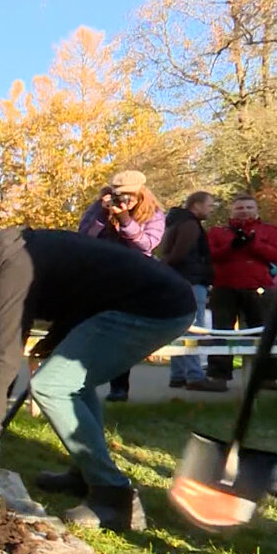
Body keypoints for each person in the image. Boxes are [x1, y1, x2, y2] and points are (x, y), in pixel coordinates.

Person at [0, 228, 196, 531]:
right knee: (73, 381)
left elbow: (4, 353)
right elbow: (78, 288)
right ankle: (86, 471)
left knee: (52, 386)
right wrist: (56, 338)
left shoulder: (10, 268)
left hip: (153, 306)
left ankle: (115, 498)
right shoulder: (20, 250)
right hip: (148, 300)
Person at [76, 170, 166, 402]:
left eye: (130, 195)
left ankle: (119, 386)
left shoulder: (154, 214)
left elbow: (146, 245)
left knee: (121, 334)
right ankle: (80, 383)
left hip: (133, 276)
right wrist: (102, 213)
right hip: (99, 275)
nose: (124, 200)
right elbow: (84, 238)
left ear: (141, 193)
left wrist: (126, 220)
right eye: (119, 195)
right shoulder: (100, 209)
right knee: (90, 329)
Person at [204, 193, 277, 390]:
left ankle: (267, 376)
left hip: (258, 286)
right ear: (232, 210)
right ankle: (218, 376)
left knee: (262, 330)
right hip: (225, 286)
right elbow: (209, 256)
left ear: (256, 210)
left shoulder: (269, 230)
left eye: (249, 207)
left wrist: (254, 243)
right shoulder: (218, 232)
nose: (245, 211)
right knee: (221, 331)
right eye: (240, 208)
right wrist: (231, 246)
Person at [160, 191, 226, 391]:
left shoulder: (176, 223)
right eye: (209, 205)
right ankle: (195, 375)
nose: (211, 209)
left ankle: (178, 374)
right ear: (196, 205)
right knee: (193, 329)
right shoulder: (190, 225)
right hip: (190, 281)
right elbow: (179, 254)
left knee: (179, 328)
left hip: (179, 280)